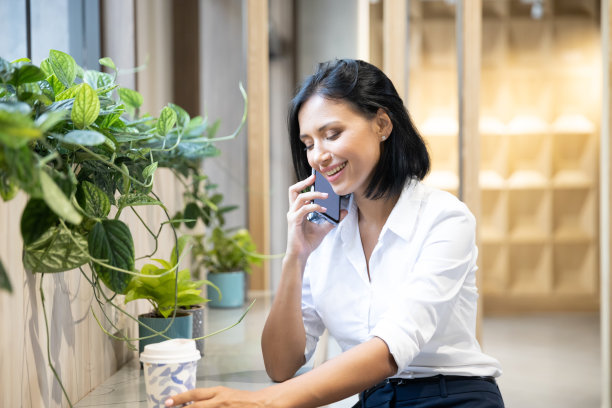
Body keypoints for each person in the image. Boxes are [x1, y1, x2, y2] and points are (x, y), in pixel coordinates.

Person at [165, 59, 505, 408]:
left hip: (450, 395)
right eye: (308, 143)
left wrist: (265, 402)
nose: (317, 156)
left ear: (382, 124)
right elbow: (281, 365)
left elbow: (392, 348)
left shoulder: (446, 219)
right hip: (374, 399)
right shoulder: (326, 234)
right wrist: (295, 257)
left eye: (332, 134)